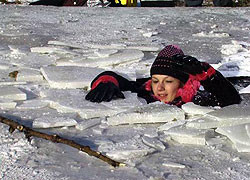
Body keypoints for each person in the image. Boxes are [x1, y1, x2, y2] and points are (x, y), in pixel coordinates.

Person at [85, 45, 241, 107]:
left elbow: (231, 100)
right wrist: (106, 82)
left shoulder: (198, 97)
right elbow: (112, 76)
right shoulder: (146, 91)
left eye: (168, 81)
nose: (159, 87)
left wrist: (204, 72)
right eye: (155, 80)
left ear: (181, 82)